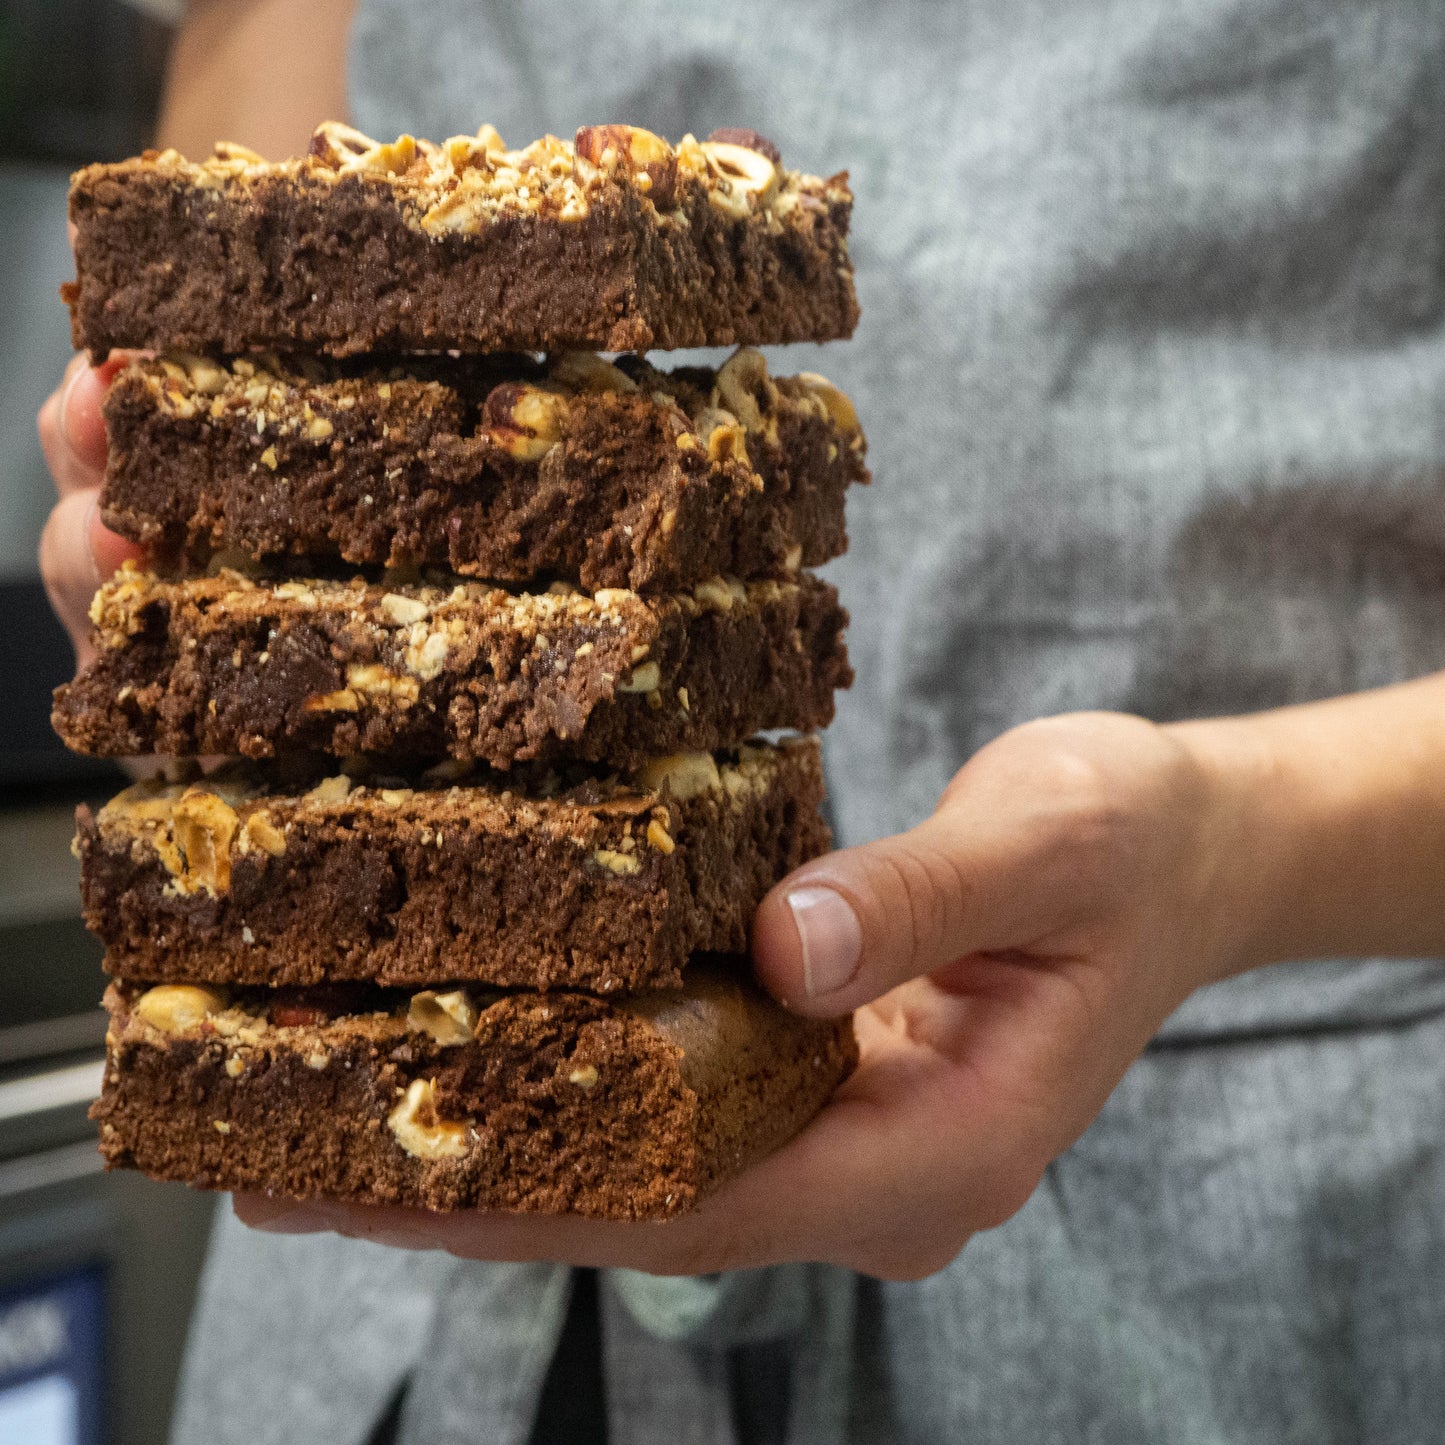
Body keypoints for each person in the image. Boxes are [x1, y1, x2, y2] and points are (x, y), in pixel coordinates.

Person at [39, 1, 1445, 1440]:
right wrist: (210, 627)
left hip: (1204, 1237)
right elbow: (218, 247)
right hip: (383, 1288)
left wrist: (1233, 841)